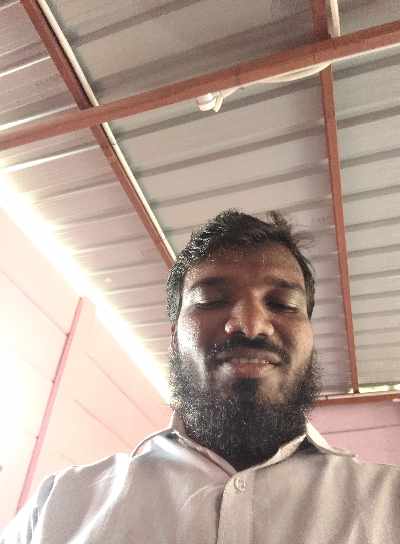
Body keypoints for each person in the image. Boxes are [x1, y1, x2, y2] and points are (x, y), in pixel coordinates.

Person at [1, 210, 399, 543]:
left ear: (311, 338)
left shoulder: (391, 502)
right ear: (174, 337)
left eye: (282, 303)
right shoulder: (58, 505)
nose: (250, 324)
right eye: (211, 300)